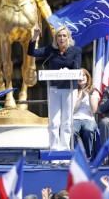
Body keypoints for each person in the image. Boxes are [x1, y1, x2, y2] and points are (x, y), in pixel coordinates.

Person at [28, 26, 82, 167]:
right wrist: (34, 36)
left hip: (70, 90)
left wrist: (68, 70)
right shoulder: (51, 51)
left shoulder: (76, 51)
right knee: (54, 122)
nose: (62, 38)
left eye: (64, 36)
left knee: (66, 123)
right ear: (55, 38)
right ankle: (55, 155)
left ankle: (64, 155)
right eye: (59, 36)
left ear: (68, 37)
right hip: (54, 89)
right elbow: (31, 52)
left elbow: (77, 68)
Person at [73, 68, 100, 160]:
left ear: (87, 77)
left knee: (88, 130)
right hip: (74, 118)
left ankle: (87, 156)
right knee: (72, 131)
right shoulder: (72, 91)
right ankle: (77, 155)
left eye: (83, 75)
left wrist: (89, 96)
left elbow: (93, 111)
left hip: (88, 118)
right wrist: (81, 98)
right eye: (79, 75)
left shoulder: (94, 91)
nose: (81, 77)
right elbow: (72, 111)